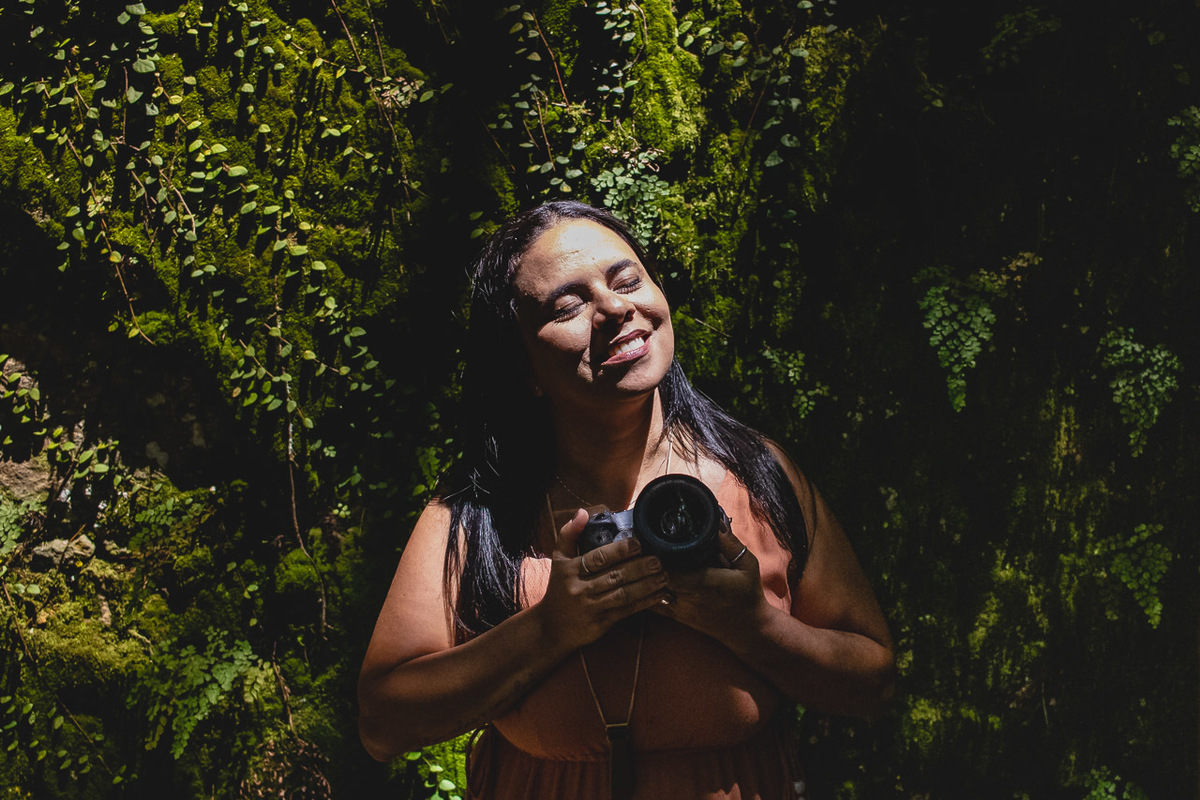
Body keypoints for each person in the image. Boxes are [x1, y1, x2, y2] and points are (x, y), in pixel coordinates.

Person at [358, 201, 895, 799]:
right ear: (522, 366)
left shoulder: (758, 475)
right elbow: (382, 724)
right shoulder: (480, 513)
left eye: (627, 280)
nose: (615, 308)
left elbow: (874, 683)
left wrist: (754, 627)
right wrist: (549, 630)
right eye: (568, 306)